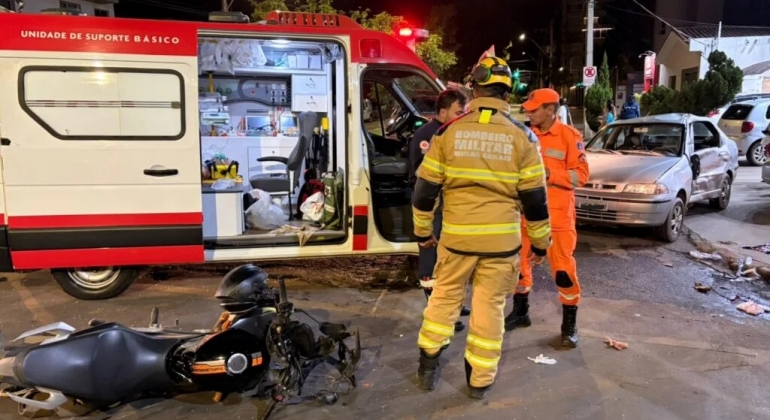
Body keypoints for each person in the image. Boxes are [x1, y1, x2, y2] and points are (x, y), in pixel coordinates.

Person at [412, 56, 552, 399]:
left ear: (473, 88)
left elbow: (424, 191)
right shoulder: (524, 137)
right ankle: (479, 381)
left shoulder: (448, 132)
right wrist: (541, 243)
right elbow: (535, 200)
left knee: (443, 300)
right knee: (489, 308)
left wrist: (422, 232)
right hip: (501, 244)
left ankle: (428, 366)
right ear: (509, 92)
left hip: (457, 239)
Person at [504, 88, 589, 348]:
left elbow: (582, 175)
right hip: (524, 215)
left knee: (563, 272)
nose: (529, 112)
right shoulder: (523, 135)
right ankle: (521, 312)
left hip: (557, 220)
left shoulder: (569, 137)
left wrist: (548, 173)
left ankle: (569, 323)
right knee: (518, 267)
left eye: (535, 108)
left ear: (551, 110)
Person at [408, 88, 471, 333]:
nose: (462, 116)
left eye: (464, 112)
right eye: (458, 112)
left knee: (450, 261)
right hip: (433, 208)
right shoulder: (428, 135)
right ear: (442, 112)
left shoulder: (454, 133)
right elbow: (422, 178)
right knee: (430, 260)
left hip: (451, 207)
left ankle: (452, 306)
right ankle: (439, 313)